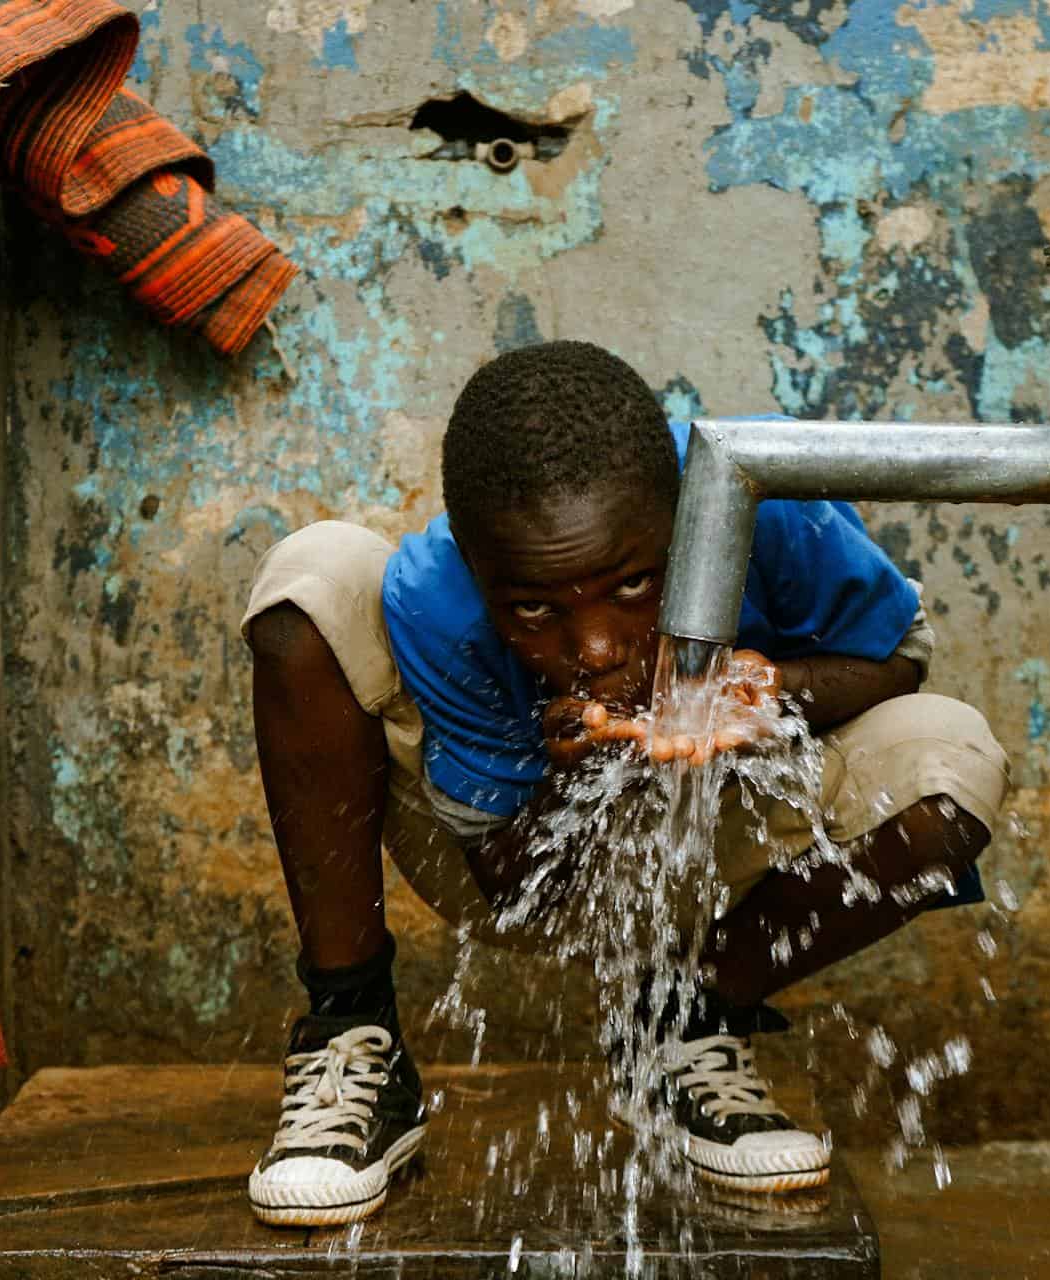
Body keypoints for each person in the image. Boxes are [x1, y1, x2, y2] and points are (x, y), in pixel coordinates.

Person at [239, 340, 1009, 1227]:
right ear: (482, 578)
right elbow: (514, 892)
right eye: (533, 609)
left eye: (636, 583)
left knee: (954, 759)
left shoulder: (762, 498)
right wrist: (581, 773)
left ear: (684, 519)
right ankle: (353, 1039)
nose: (597, 648)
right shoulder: (441, 601)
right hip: (523, 858)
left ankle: (685, 1026)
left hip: (734, 844)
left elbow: (900, 661)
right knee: (314, 573)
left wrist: (765, 694)